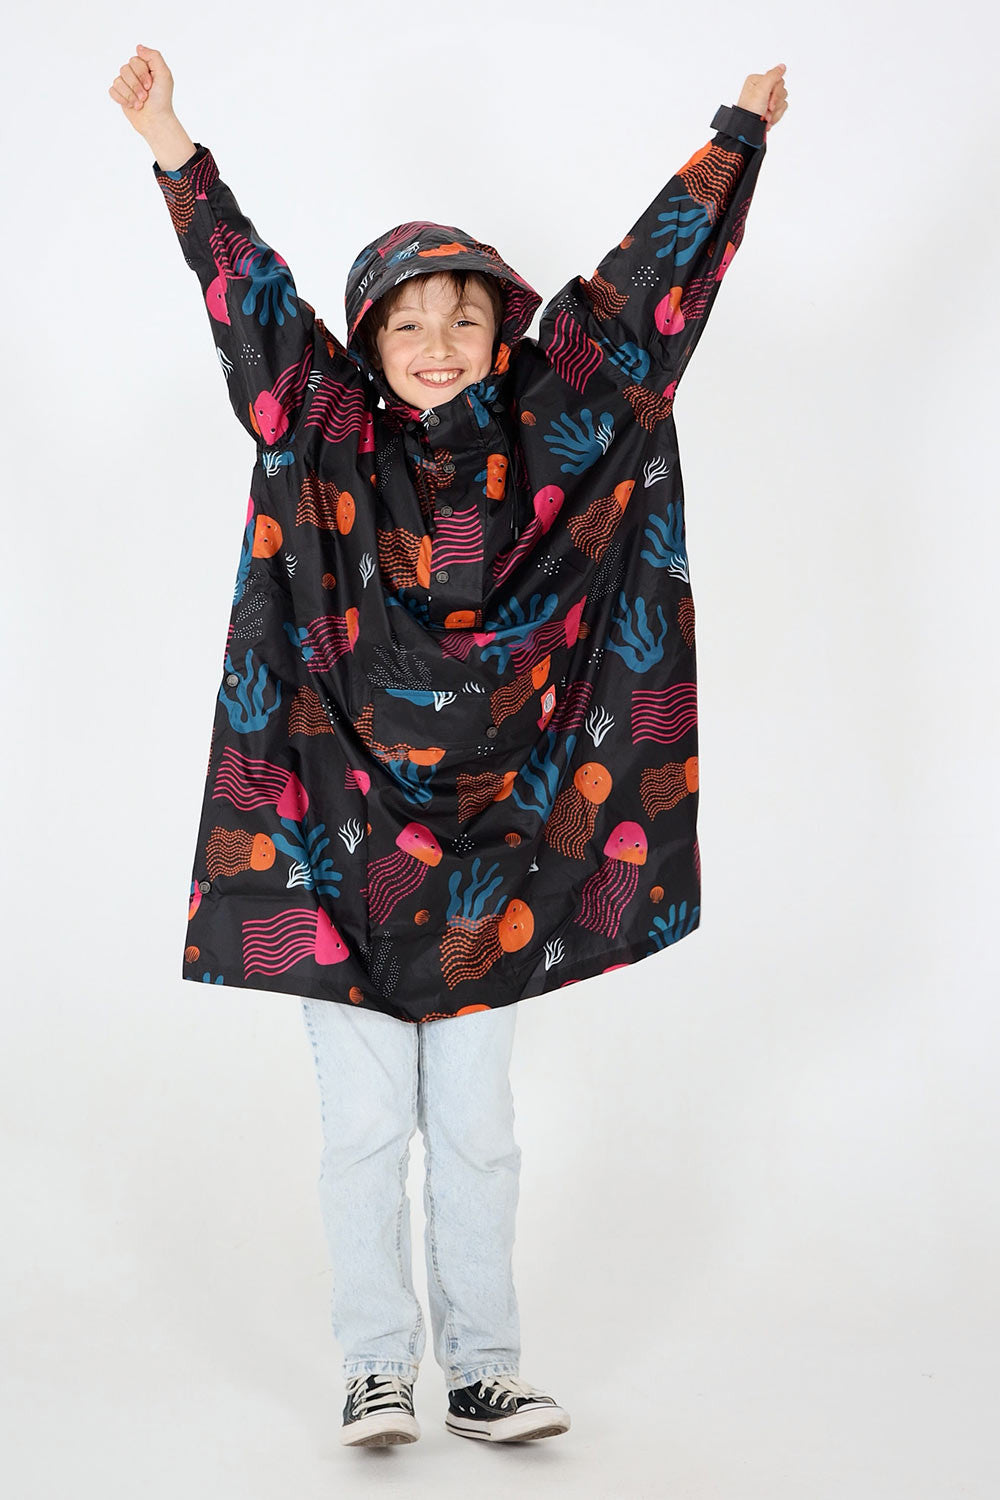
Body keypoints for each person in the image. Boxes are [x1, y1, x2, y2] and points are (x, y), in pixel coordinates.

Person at [110, 41, 787, 1449]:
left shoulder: (550, 430)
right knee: (365, 1130)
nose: (436, 345)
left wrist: (733, 138)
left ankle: (484, 1368)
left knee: (477, 1132)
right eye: (409, 323)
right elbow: (248, 295)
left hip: (499, 853)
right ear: (369, 339)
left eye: (463, 323)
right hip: (326, 831)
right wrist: (173, 144)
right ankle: (377, 1367)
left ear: (499, 336)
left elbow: (639, 311)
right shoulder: (321, 427)